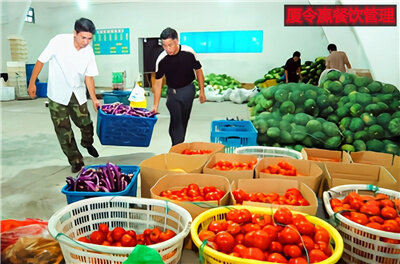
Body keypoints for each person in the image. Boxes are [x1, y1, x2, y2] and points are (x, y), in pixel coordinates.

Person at [27, 17, 100, 173]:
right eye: (83, 37)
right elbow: (41, 61)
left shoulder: (89, 52)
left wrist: (94, 99)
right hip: (57, 94)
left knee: (86, 124)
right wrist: (32, 82)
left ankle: (87, 143)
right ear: (75, 33)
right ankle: (76, 160)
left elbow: (89, 77)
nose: (86, 42)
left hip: (77, 93)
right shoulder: (58, 42)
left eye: (89, 38)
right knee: (63, 129)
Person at [151, 27, 206, 146]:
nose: (167, 49)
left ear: (177, 41)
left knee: (184, 120)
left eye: (170, 45)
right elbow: (158, 82)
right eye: (164, 46)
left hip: (188, 90)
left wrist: (202, 91)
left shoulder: (189, 52)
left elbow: (199, 71)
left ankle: (178, 144)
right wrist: (155, 105)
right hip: (172, 93)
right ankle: (176, 146)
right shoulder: (161, 59)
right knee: (176, 120)